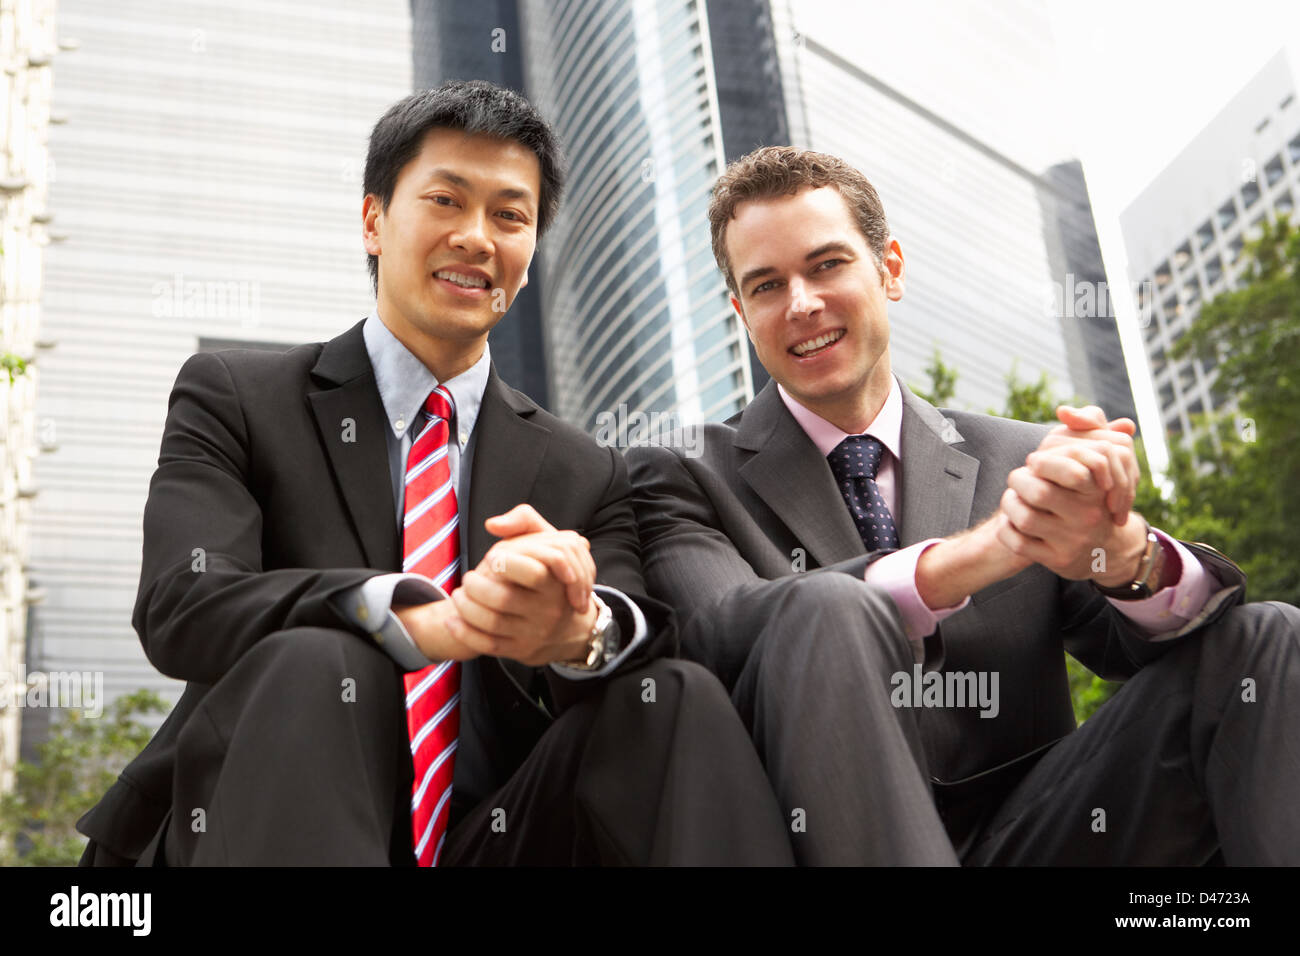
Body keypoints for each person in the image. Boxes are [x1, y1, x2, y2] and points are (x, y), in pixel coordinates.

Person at [75, 82, 794, 866]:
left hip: (495, 836)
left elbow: (637, 630)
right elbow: (185, 604)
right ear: (374, 220)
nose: (476, 238)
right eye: (446, 200)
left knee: (674, 696)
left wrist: (576, 629)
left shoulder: (583, 469)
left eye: (509, 216)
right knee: (329, 656)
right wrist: (403, 614)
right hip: (265, 816)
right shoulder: (239, 397)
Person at [626, 145, 1300, 865]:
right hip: (825, 840)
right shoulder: (683, 472)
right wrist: (982, 555)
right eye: (766, 285)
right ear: (741, 312)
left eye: (826, 265)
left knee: (1267, 638)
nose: (801, 304)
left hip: (1043, 836)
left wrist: (1121, 550)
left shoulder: (1022, 457)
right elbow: (719, 635)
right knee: (823, 606)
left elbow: (1141, 645)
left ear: (890, 269)